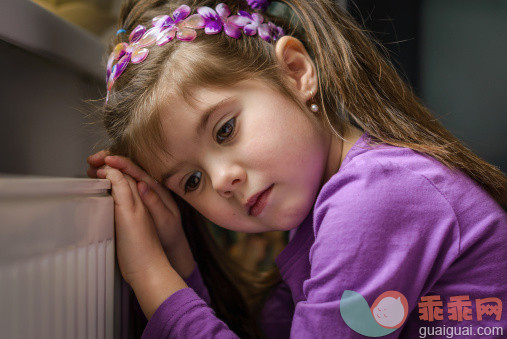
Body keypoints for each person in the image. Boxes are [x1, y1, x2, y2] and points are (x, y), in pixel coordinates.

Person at [87, 0, 507, 337]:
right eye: (192, 180)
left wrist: (150, 277)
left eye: (225, 130)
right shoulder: (321, 211)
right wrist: (178, 261)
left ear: (295, 72)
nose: (221, 181)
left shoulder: (374, 199)